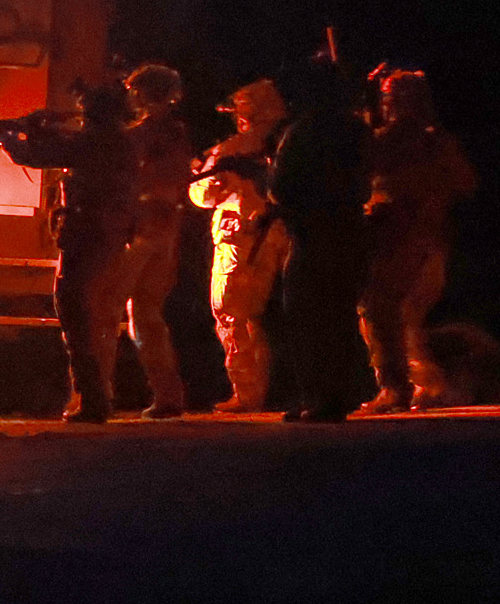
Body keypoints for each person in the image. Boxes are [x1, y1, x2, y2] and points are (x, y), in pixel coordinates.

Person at [0, 82, 138, 423]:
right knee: (84, 311)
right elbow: (58, 149)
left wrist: (3, 136)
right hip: (106, 232)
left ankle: (93, 398)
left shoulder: (98, 141)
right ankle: (94, 396)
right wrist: (33, 132)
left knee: (73, 308)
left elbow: (37, 156)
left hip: (89, 231)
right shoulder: (115, 141)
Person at [356, 68, 476, 412]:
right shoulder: (417, 138)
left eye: (393, 100)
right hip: (413, 238)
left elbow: (464, 182)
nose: (390, 106)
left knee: (379, 308)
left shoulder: (417, 139)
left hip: (410, 237)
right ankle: (428, 384)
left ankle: (396, 387)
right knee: (401, 314)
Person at [267, 52, 371, 422]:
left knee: (308, 313)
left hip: (313, 231)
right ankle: (340, 392)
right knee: (339, 314)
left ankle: (323, 396)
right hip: (348, 228)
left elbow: (281, 186)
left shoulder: (304, 131)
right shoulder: (356, 129)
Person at [191, 78, 292, 412]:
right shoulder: (285, 141)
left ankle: (246, 392)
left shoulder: (235, 147)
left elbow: (202, 193)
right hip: (272, 234)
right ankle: (256, 391)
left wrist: (200, 169)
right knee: (252, 316)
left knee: (230, 312)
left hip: (240, 236)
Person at [117, 63, 197, 417]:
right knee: (148, 314)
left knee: (105, 311)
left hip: (140, 230)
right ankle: (168, 395)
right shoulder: (179, 134)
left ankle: (91, 396)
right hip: (166, 229)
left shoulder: (143, 135)